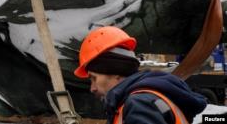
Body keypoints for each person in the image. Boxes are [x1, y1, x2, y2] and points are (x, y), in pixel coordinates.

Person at [74, 26, 207, 124]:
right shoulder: (146, 98)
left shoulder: (139, 104)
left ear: (115, 72)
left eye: (94, 78)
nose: (92, 88)